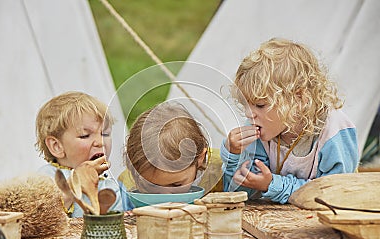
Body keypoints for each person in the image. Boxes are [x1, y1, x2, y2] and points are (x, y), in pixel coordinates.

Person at [220, 38, 359, 204]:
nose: (249, 114)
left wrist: (273, 185)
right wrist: (234, 157)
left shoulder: (333, 131)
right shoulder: (259, 129)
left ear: (299, 99)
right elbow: (238, 197)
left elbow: (335, 194)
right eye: (246, 105)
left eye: (260, 105)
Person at [35, 91, 133, 217]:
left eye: (105, 134)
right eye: (85, 136)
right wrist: (73, 185)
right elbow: (41, 217)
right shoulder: (47, 178)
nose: (100, 142)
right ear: (57, 146)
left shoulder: (110, 186)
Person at [121, 101, 223, 194]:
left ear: (200, 158)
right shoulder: (128, 186)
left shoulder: (223, 170)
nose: (165, 196)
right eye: (152, 186)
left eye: (176, 185)